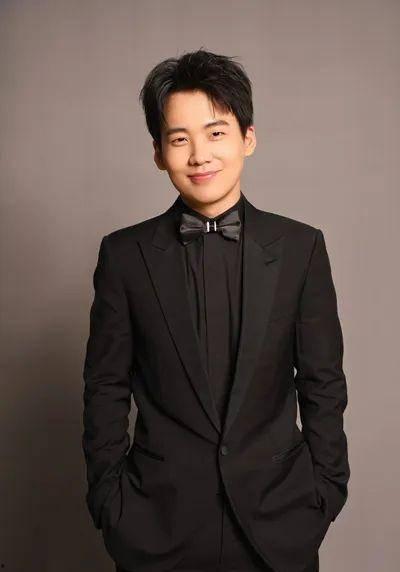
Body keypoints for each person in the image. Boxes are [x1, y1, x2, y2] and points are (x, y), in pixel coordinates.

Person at [82, 48, 350, 572]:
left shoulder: (301, 248)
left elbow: (323, 383)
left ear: (248, 138)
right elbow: (104, 387)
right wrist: (110, 502)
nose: (199, 155)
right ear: (159, 153)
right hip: (155, 525)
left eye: (216, 132)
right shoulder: (124, 256)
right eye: (180, 139)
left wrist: (326, 490)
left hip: (279, 521)